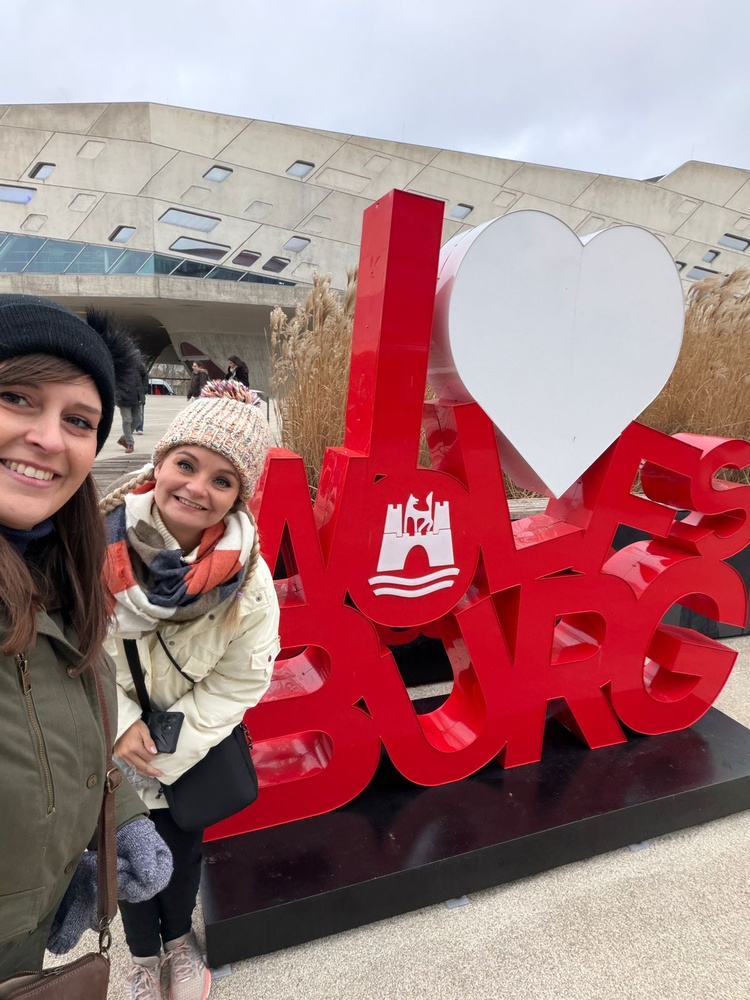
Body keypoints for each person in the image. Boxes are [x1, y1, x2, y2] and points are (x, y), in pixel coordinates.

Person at [0, 295, 172, 980]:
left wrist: (111, 817)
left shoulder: (61, 574)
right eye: (16, 398)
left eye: (78, 420)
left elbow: (54, 717)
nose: (49, 439)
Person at [100, 381, 280, 1000]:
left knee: (180, 849)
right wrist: (119, 724)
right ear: (161, 462)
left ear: (237, 496)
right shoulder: (93, 546)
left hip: (187, 752)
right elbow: (73, 648)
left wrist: (168, 751)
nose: (197, 487)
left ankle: (180, 943)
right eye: (186, 464)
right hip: (109, 743)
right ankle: (141, 958)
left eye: (222, 479)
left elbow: (243, 676)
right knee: (127, 855)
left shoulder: (248, 579)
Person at [117, 355, 148, 454]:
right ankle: (130, 443)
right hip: (123, 397)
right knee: (127, 420)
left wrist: (143, 389)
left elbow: (144, 375)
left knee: (138, 419)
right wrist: (117, 394)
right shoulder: (119, 365)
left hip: (136, 396)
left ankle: (124, 437)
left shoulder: (137, 364)